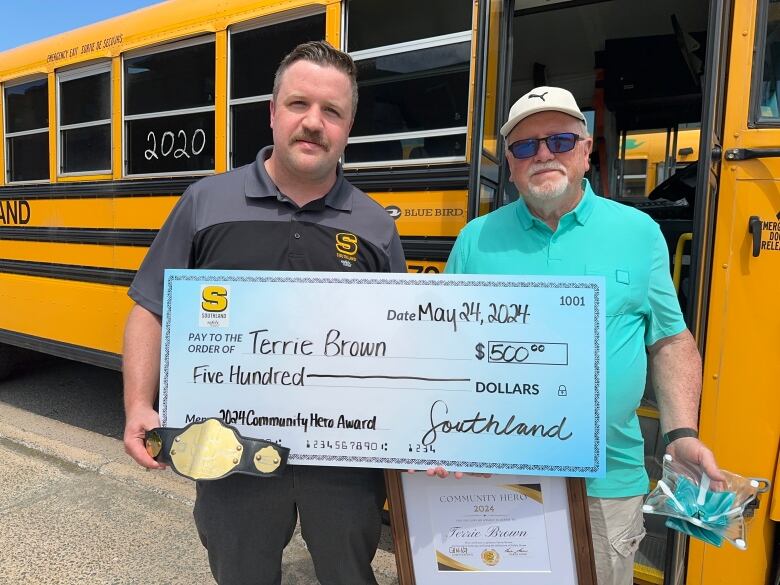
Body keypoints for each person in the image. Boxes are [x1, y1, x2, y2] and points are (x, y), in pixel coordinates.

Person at [122, 41, 406, 585]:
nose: (314, 123)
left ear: (348, 128)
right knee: (241, 572)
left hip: (345, 459)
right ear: (273, 112)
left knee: (350, 572)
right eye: (299, 104)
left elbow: (399, 342)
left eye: (333, 112)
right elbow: (151, 308)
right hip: (231, 451)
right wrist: (139, 403)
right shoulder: (205, 202)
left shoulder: (374, 225)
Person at [442, 86, 723, 585]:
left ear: (587, 151)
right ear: (510, 163)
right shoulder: (474, 240)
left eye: (560, 140)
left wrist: (679, 435)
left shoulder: (638, 232)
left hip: (605, 482)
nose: (543, 154)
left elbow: (669, 340)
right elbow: (443, 350)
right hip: (495, 475)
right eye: (525, 146)